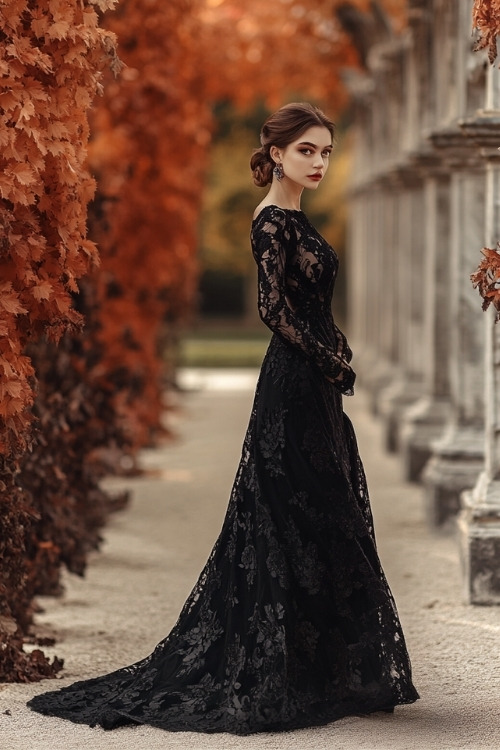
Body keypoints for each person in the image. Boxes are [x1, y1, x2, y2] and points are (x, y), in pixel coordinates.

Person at [28, 102, 419, 734]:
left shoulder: (298, 219)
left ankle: (328, 670)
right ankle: (297, 672)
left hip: (314, 382)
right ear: (275, 156)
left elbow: (308, 303)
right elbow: (272, 309)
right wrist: (328, 359)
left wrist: (335, 349)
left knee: (324, 510)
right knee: (298, 512)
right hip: (294, 383)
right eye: (306, 152)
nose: (319, 162)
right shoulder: (271, 223)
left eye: (325, 151)